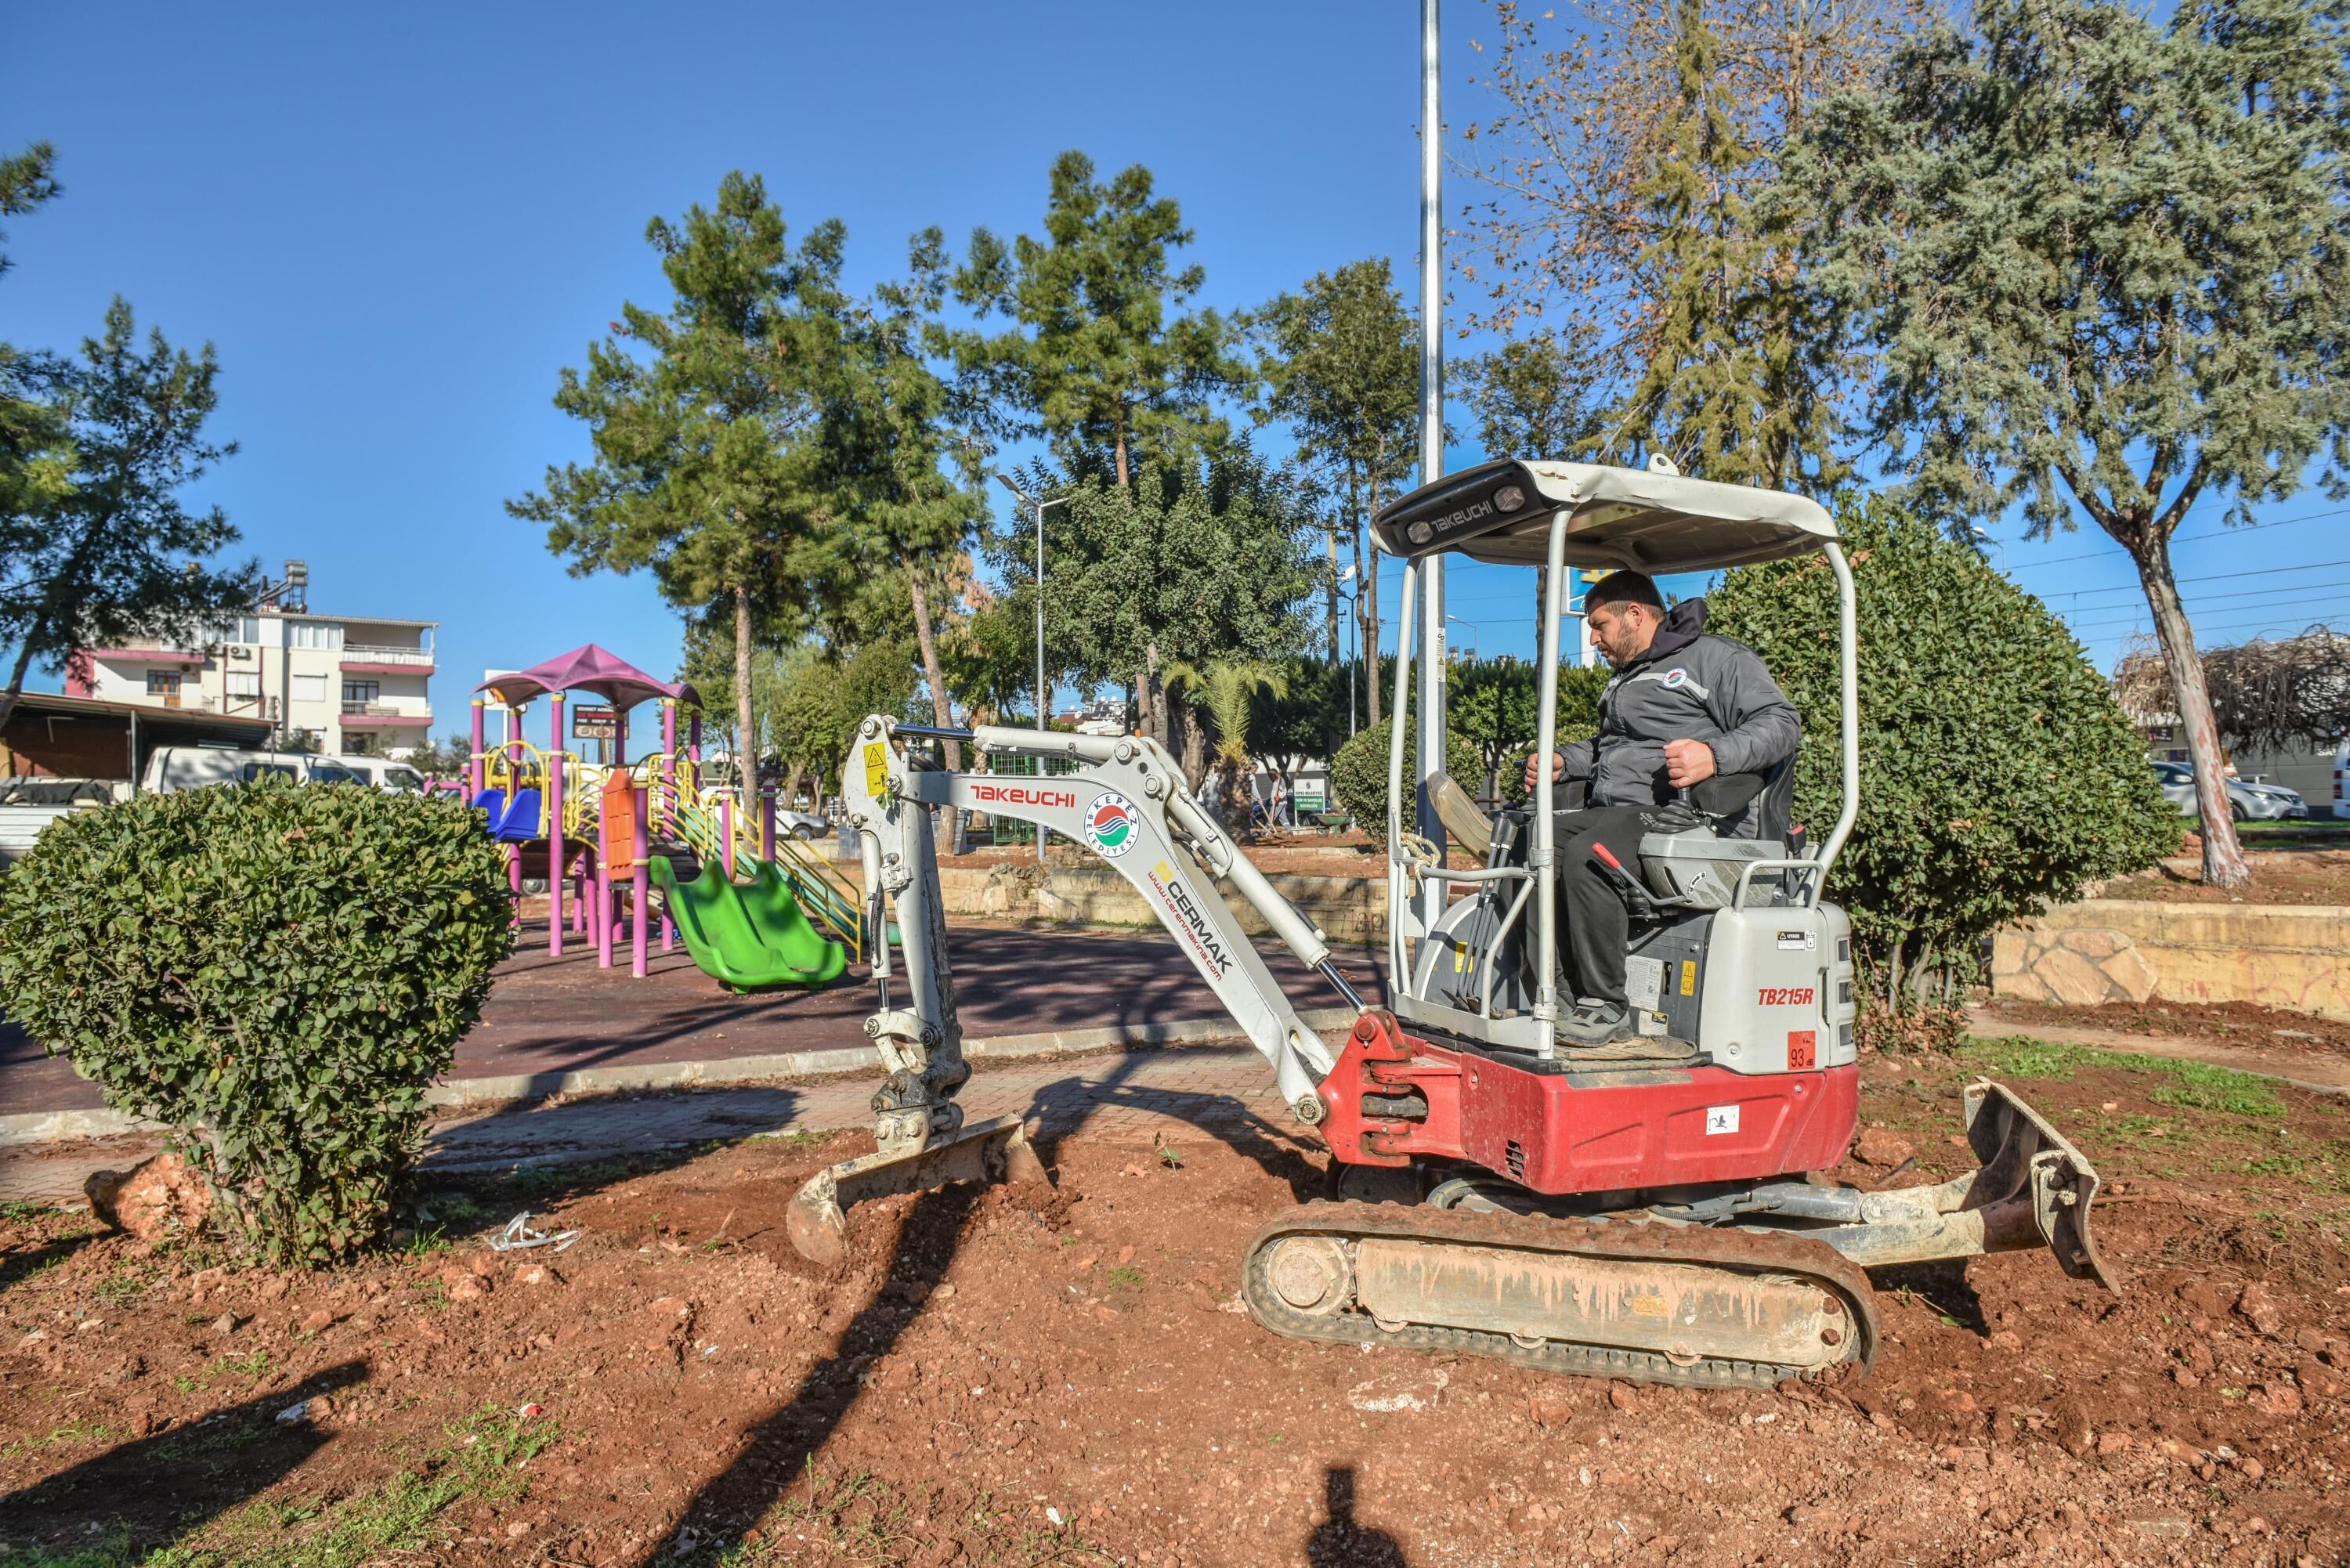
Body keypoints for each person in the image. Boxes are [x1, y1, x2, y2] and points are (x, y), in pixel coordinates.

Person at [1520, 570, 1800, 1044]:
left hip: (1689, 817)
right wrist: (1564, 760)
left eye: (1599, 625)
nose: (1593, 638)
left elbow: (1782, 723)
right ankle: (1558, 996)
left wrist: (1714, 756)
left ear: (1634, 614)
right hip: (1623, 813)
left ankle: (1605, 1005)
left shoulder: (1714, 658)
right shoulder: (1628, 676)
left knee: (1590, 854)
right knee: (1533, 843)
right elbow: (1617, 748)